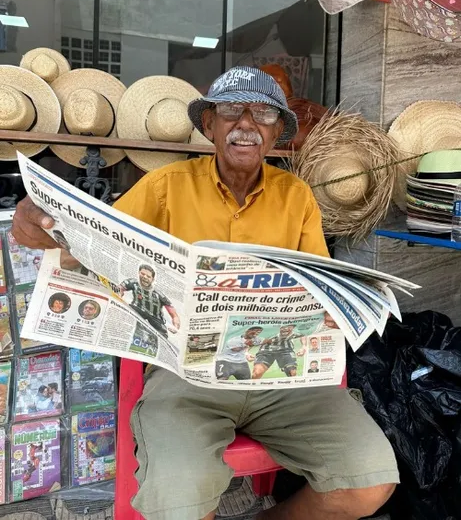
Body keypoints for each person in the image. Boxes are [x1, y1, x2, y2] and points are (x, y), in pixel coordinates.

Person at [12, 66, 398, 520]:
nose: (247, 124)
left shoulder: (296, 195)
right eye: (232, 110)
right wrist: (43, 229)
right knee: (179, 502)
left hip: (280, 372)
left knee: (370, 481)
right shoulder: (165, 187)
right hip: (186, 376)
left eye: (264, 114)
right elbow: (93, 248)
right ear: (209, 124)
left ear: (275, 135)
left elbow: (314, 287)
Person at [119, 265, 180, 339]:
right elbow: (120, 288)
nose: (144, 277)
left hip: (155, 317)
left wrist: (175, 327)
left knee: (162, 337)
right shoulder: (133, 282)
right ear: (139, 273)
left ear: (152, 279)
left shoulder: (159, 294)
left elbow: (174, 314)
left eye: (148, 276)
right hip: (137, 308)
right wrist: (119, 293)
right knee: (126, 315)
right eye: (142, 274)